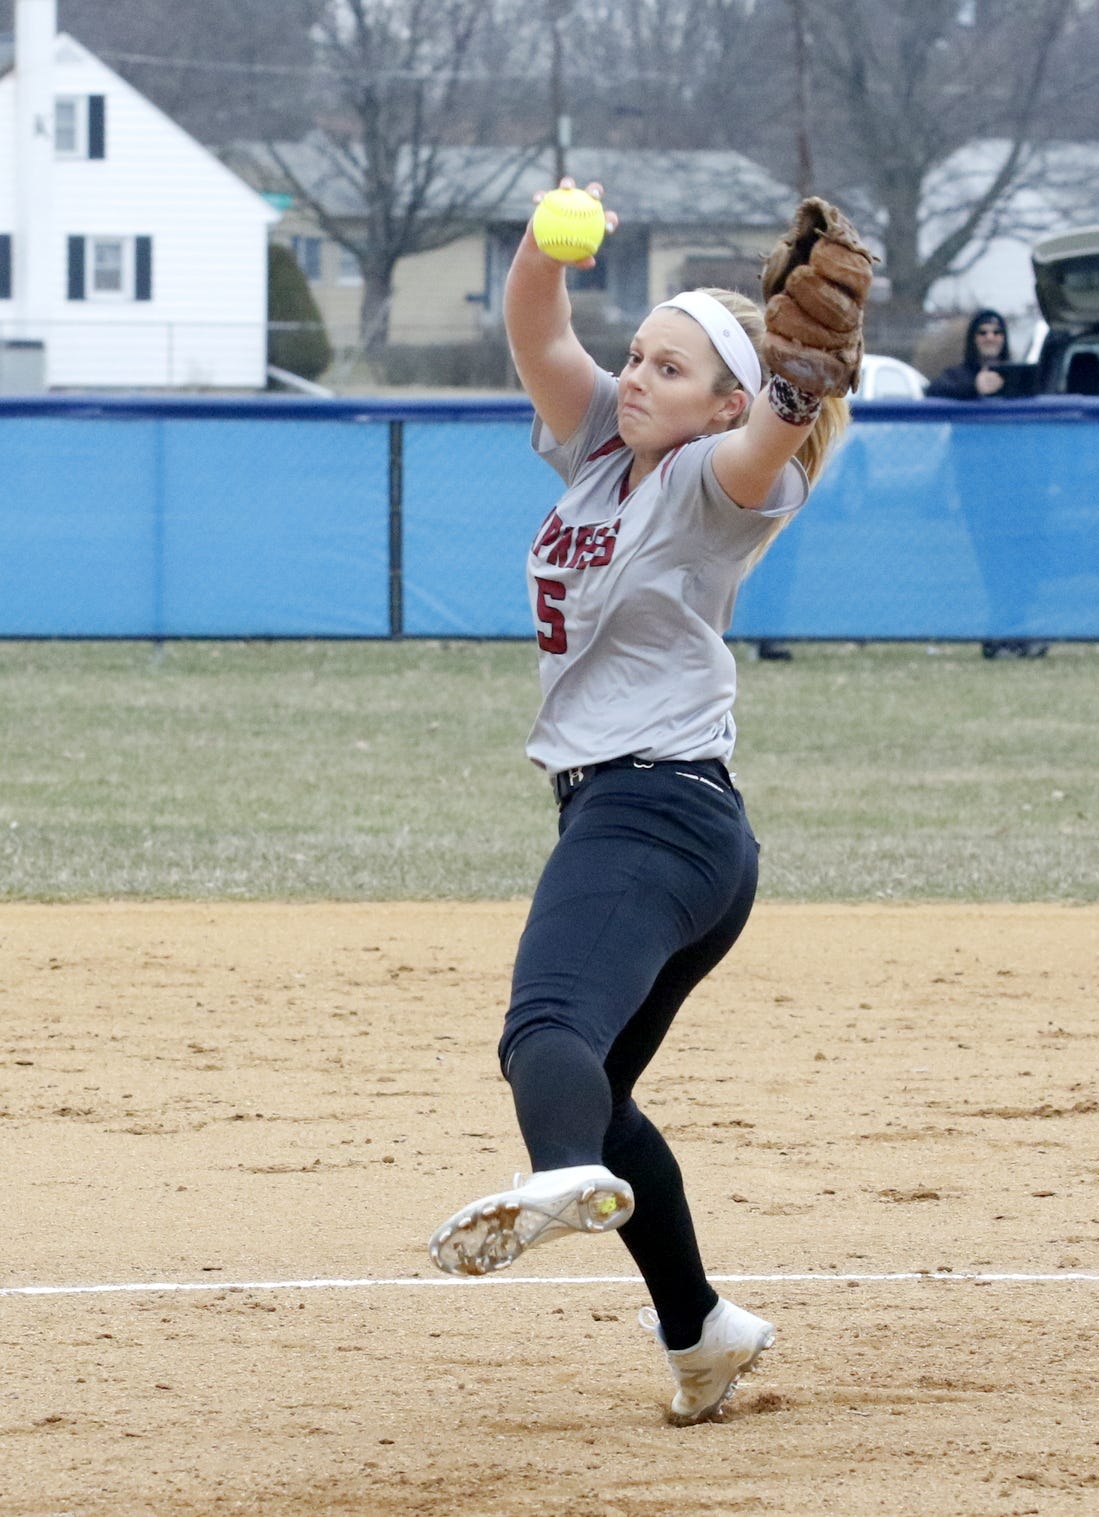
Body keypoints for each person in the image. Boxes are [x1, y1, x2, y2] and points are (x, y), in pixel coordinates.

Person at [426, 180, 859, 1425]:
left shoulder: (716, 486)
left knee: (542, 1033)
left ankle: (562, 1175)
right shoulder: (602, 454)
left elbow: (767, 436)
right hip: (661, 827)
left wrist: (793, 383)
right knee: (596, 1085)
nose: (635, 378)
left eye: (670, 370)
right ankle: (702, 1329)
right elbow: (537, 336)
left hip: (652, 816)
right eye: (639, 355)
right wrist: (545, 245)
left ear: (722, 400)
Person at [928, 309, 1049, 659]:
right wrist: (975, 388)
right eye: (983, 332)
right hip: (978, 492)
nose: (991, 337)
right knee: (992, 564)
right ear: (973, 338)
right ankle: (1002, 635)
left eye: (997, 331)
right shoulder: (958, 376)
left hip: (1020, 491)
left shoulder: (1021, 376)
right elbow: (934, 390)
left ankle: (1015, 632)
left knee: (1020, 564)